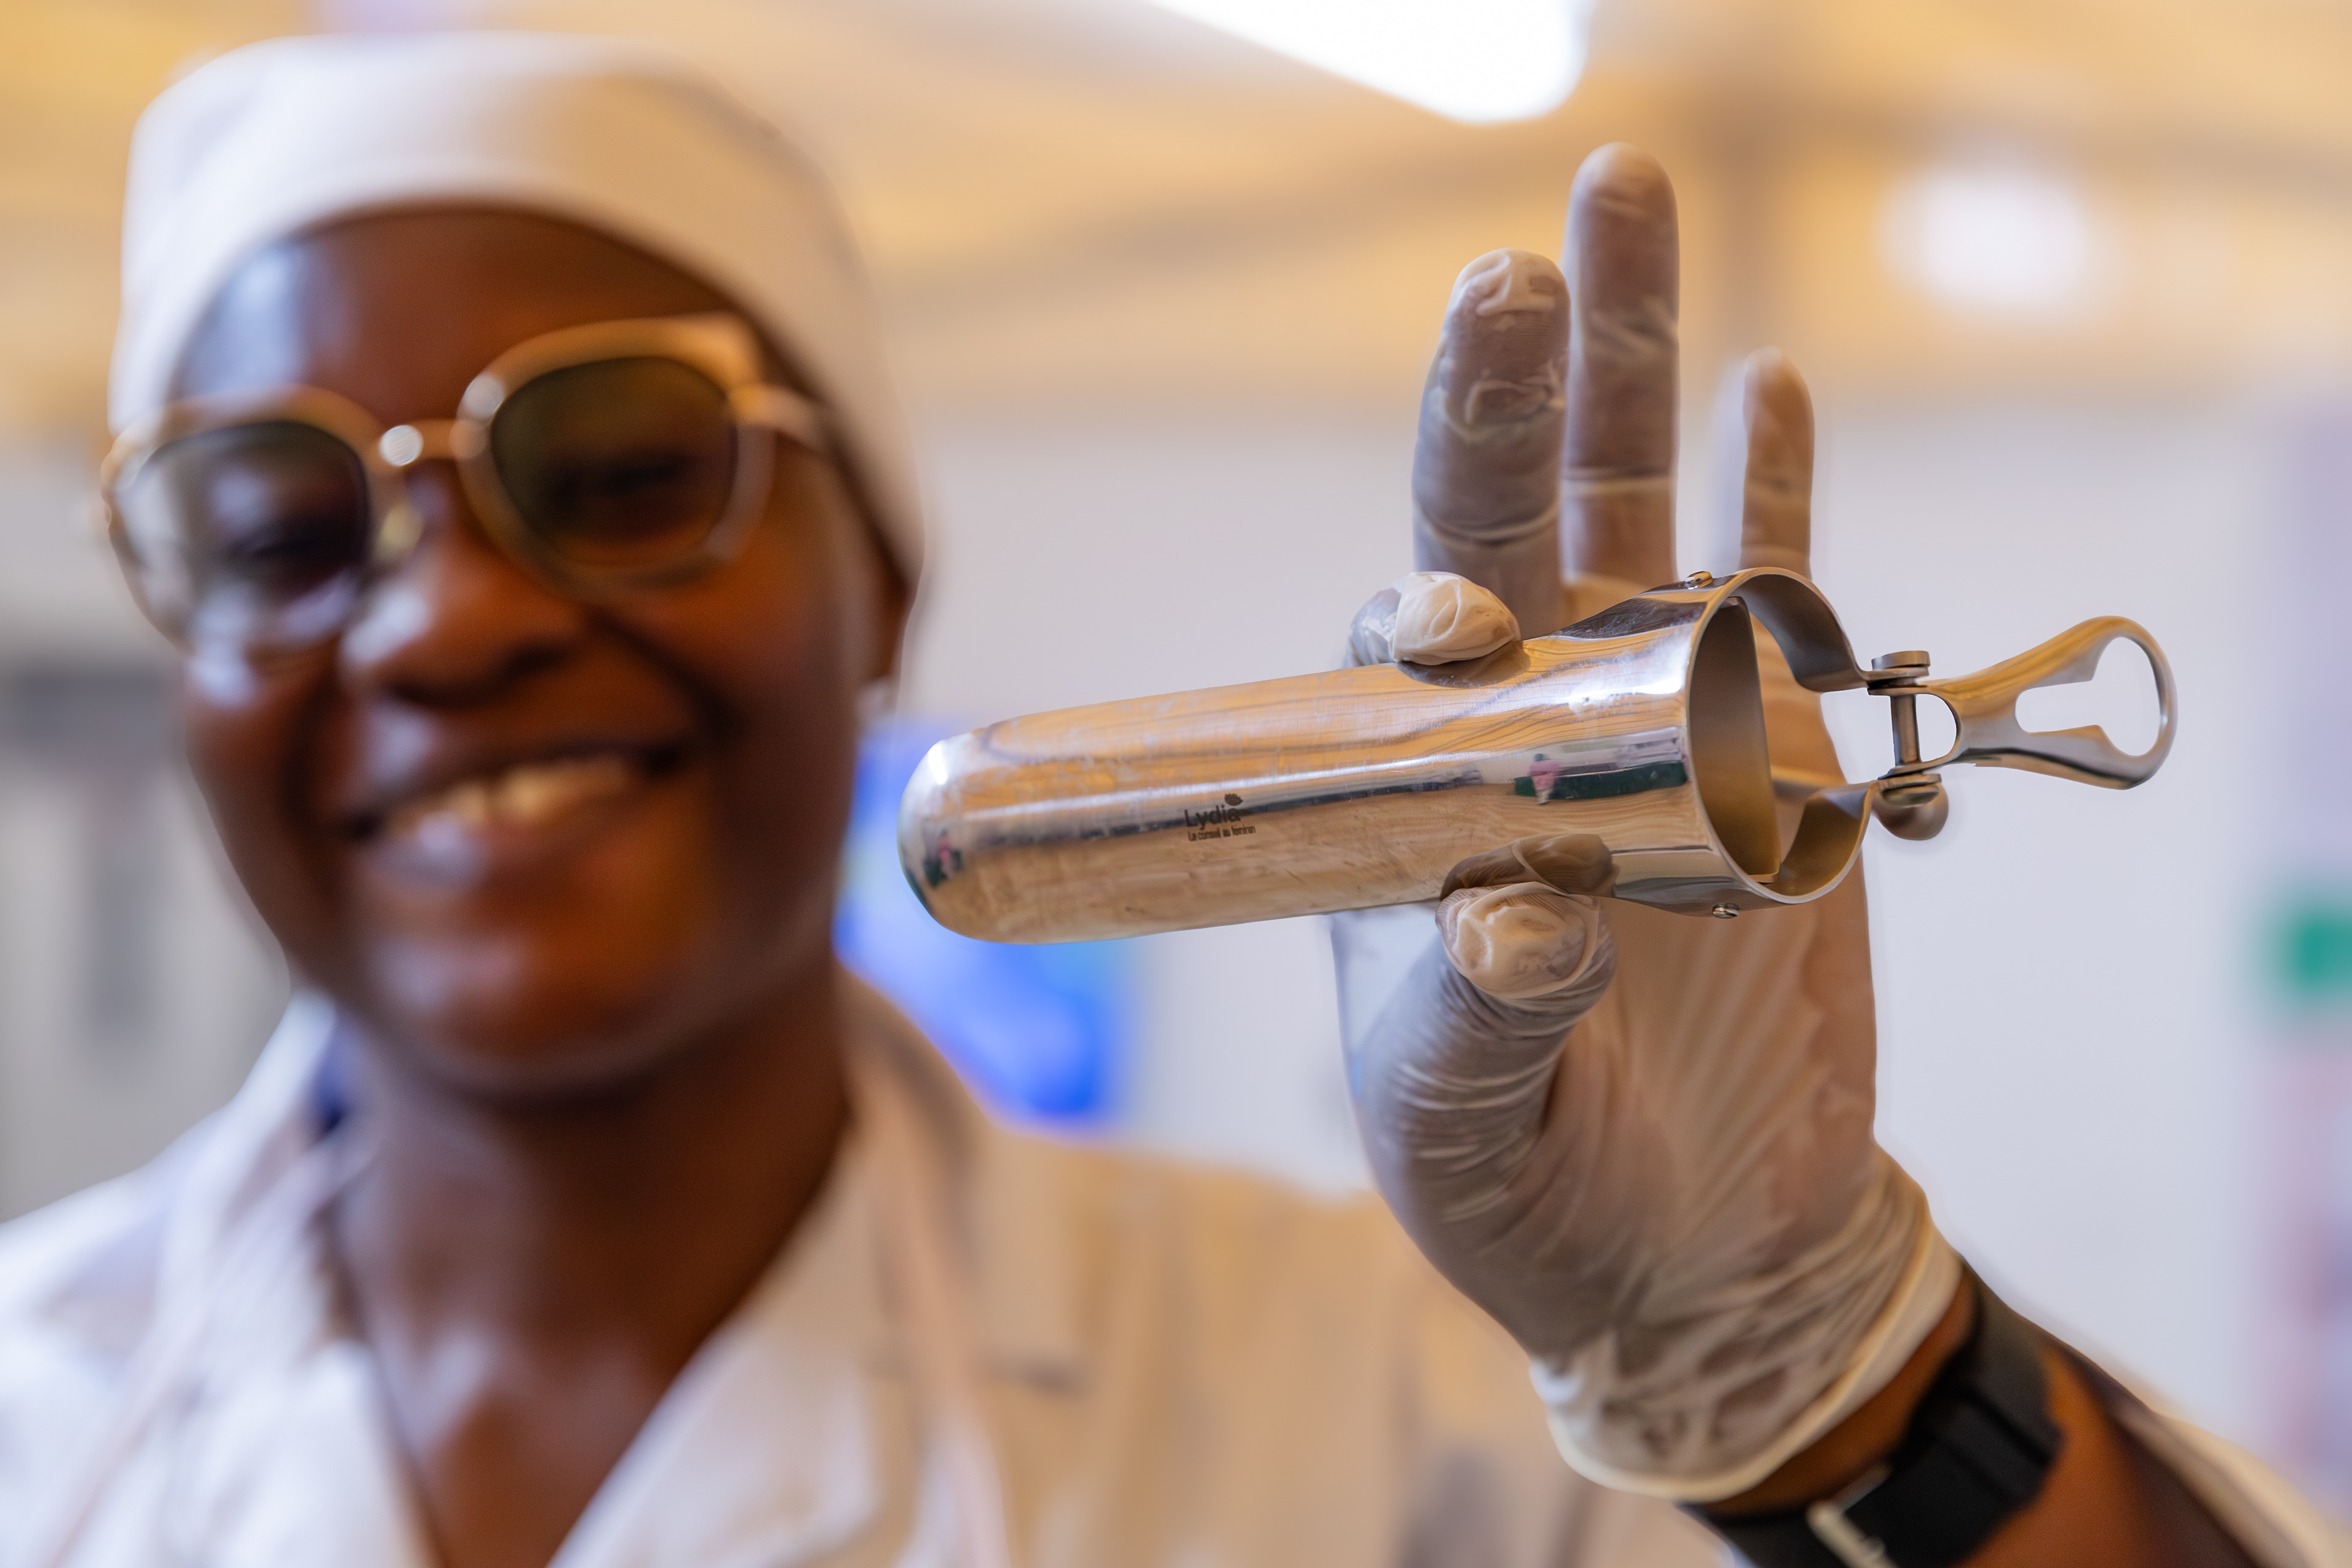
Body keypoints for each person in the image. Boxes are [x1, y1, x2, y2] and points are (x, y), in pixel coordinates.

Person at [0, 29, 2336, 1568]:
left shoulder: (1388, 1419)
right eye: (277, 526)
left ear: (883, 577)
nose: (436, 627)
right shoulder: (38, 1423)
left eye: (619, 471)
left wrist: (1833, 1386)